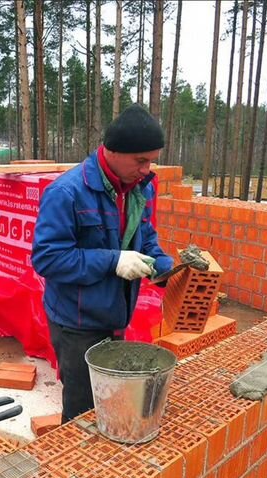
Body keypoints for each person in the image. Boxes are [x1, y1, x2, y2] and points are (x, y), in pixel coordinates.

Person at [32, 103, 173, 424]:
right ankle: (73, 469)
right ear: (111, 151)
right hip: (76, 322)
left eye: (151, 160)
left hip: (115, 315)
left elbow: (145, 235)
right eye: (141, 160)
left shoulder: (139, 189)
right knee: (82, 409)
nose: (147, 168)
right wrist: (113, 261)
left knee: (108, 398)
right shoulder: (67, 193)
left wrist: (163, 266)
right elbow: (47, 258)